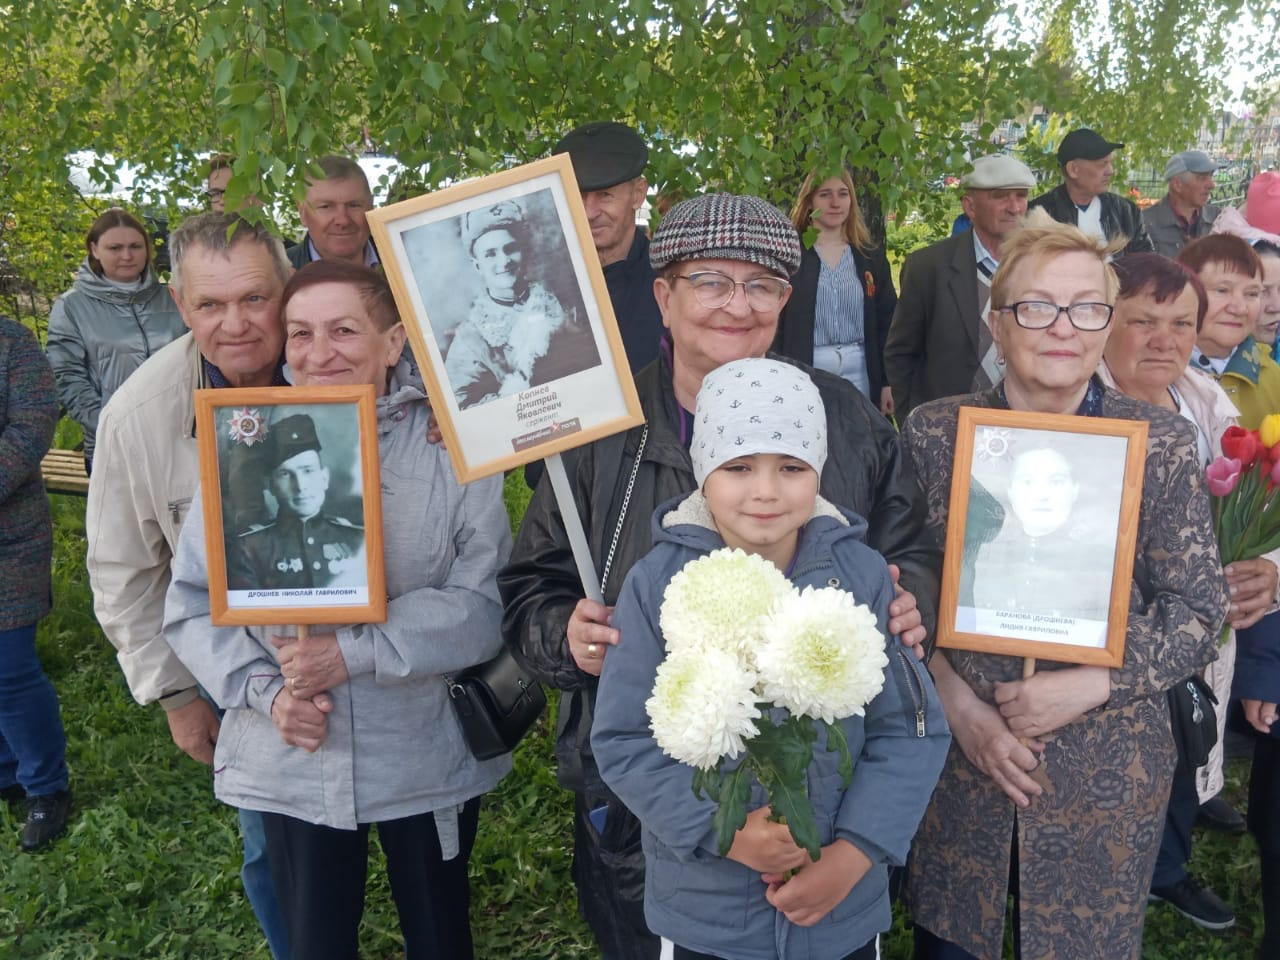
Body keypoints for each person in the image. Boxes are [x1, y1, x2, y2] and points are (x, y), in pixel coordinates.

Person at [500, 192, 938, 960]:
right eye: (710, 280)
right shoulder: (598, 428)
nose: (737, 304)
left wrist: (914, 602)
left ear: (785, 300)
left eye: (762, 283)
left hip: (826, 822)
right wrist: (560, 632)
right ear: (664, 295)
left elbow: (913, 550)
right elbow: (530, 583)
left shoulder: (850, 424)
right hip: (652, 820)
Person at [164, 260, 512, 960]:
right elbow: (192, 604)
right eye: (299, 334)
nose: (318, 354)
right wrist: (266, 695)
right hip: (294, 751)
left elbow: (481, 605)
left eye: (344, 330)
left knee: (440, 934)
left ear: (393, 342)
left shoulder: (453, 446)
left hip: (420, 750)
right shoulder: (244, 444)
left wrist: (350, 652)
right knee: (315, 940)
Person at [902, 212, 1227, 960]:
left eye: (1085, 307)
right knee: (955, 939)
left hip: (1106, 767)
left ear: (1106, 322)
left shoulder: (1161, 443)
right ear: (996, 321)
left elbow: (1197, 611)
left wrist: (1092, 683)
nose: (1061, 327)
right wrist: (958, 707)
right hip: (964, 758)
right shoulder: (934, 434)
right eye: (1035, 306)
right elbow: (900, 597)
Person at [591, 357, 950, 960]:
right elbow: (625, 739)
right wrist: (723, 829)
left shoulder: (862, 578)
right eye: (737, 467)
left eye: (790, 466)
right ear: (703, 471)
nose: (764, 490)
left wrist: (854, 856)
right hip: (707, 915)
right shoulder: (657, 585)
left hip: (840, 911)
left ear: (819, 471)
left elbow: (911, 731)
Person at [86, 211, 293, 959]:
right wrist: (175, 694)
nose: (235, 324)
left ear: (287, 287)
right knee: (271, 843)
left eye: (254, 299)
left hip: (367, 646)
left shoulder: (342, 361)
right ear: (180, 305)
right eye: (210, 305)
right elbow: (122, 568)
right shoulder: (138, 416)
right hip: (234, 667)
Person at [1097, 252, 1270, 928]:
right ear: (1105, 322)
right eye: (1143, 321)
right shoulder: (1074, 403)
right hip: (1115, 637)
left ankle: (1165, 870)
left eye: (1182, 323)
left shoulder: (1208, 401)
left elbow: (1261, 498)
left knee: (1185, 746)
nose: (1165, 340)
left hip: (1198, 634)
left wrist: (1270, 568)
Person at [884, 154, 1038, 418]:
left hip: (1026, 422)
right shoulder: (928, 267)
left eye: (1021, 196)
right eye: (1001, 196)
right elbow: (901, 352)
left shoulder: (1044, 267)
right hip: (947, 426)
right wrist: (914, 420)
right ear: (970, 206)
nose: (1015, 207)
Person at [0, 316, 71, 852]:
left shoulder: (13, 343)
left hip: (11, 534)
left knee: (10, 665)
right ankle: (6, 772)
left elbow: (33, 422)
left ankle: (46, 787)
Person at [45, 207, 185, 474]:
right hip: (112, 447)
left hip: (177, 441)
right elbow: (65, 376)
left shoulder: (173, 298)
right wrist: (108, 423)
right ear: (95, 249)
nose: (127, 255)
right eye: (115, 248)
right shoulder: (71, 307)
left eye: (135, 246)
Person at [444, 198, 600, 408]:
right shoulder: (470, 337)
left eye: (510, 249)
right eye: (490, 254)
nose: (504, 261)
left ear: (523, 252)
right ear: (477, 265)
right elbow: (460, 406)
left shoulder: (562, 305)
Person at [775, 169, 897, 414]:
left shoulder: (868, 257)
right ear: (809, 201)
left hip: (861, 371)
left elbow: (888, 321)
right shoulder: (790, 257)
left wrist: (887, 381)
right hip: (806, 370)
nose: (835, 203)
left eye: (843, 194)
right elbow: (775, 324)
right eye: (825, 194)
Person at [961, 443, 1116, 628]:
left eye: (1055, 482)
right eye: (1027, 482)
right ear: (1010, 491)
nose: (1042, 495)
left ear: (1075, 490)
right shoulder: (984, 556)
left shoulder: (1099, 564)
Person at [553, 120, 663, 372]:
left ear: (638, 194)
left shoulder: (669, 283)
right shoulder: (544, 282)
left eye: (605, 195)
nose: (590, 212)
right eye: (579, 195)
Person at [226, 414, 366, 591]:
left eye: (308, 471)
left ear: (324, 478)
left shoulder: (359, 539)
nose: (300, 486)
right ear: (270, 485)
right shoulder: (249, 548)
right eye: (285, 474)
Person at [1180, 235, 1279, 424]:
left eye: (1252, 293)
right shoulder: (1161, 374)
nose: (1240, 308)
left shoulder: (1272, 376)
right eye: (1222, 290)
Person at [1028, 127, 1154, 256]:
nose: (1110, 171)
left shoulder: (1126, 212)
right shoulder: (1041, 215)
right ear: (1073, 169)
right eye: (1102, 164)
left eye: (1110, 163)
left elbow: (1147, 263)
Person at [287, 155, 378, 268]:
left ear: (371, 207)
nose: (343, 220)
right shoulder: (278, 276)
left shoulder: (403, 258)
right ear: (303, 213)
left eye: (354, 205)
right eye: (326, 207)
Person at [1142, 150, 1222, 257]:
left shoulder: (1218, 218)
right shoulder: (1145, 224)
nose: (1211, 185)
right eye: (1201, 178)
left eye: (1211, 177)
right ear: (1177, 184)